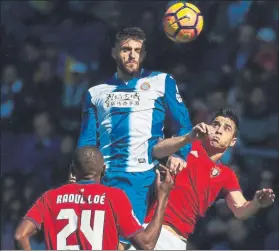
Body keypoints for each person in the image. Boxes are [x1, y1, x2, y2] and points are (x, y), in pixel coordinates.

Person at [77, 26, 192, 247]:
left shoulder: (161, 82)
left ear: (144, 54)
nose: (132, 55)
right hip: (103, 176)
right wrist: (80, 171)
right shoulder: (96, 92)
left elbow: (184, 124)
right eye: (126, 49)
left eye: (137, 50)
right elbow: (87, 141)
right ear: (114, 52)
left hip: (139, 176)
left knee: (121, 243)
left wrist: (180, 153)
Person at [140, 107, 275, 250]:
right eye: (215, 124)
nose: (219, 130)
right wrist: (187, 139)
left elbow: (240, 210)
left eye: (227, 128)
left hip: (177, 241)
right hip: (149, 227)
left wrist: (256, 203)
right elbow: (156, 150)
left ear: (233, 141)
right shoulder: (188, 145)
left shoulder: (227, 174)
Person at [14, 146, 174, 250]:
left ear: (72, 171)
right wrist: (163, 197)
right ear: (104, 170)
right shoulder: (114, 197)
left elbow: (20, 236)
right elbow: (146, 244)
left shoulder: (50, 198)